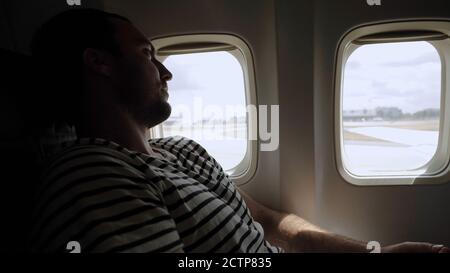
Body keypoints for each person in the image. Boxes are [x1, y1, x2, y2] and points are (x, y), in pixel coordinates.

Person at [29, 8, 449, 253]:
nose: (166, 70)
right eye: (146, 54)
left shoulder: (182, 151)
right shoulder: (91, 177)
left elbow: (269, 221)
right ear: (99, 63)